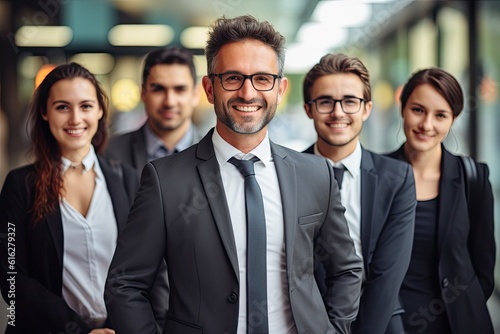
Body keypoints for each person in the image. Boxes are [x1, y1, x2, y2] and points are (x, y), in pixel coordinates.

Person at [105, 15, 363, 334]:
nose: (247, 92)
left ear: (280, 88)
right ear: (209, 88)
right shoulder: (164, 180)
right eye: (232, 78)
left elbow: (347, 270)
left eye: (262, 79)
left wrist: (333, 330)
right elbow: (125, 285)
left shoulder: (315, 173)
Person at [0, 63, 139, 333]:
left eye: (86, 106)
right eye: (62, 107)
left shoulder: (129, 180)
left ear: (100, 111)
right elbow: (12, 279)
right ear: (44, 113)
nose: (75, 119)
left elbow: (148, 269)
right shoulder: (20, 186)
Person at [302, 53, 416, 333]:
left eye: (350, 101)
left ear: (366, 109)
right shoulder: (287, 174)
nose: (338, 112)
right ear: (309, 109)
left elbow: (387, 276)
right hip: (305, 321)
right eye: (326, 101)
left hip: (379, 321)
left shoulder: (397, 178)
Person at [386, 68, 495, 334]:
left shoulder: (473, 178)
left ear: (453, 119)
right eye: (418, 110)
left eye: (441, 115)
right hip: (391, 324)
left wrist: (468, 308)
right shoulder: (375, 175)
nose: (427, 125)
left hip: (455, 324)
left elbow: (483, 268)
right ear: (403, 109)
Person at [104, 46, 202, 177]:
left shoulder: (217, 154)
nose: (169, 102)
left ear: (195, 95)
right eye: (158, 89)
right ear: (143, 93)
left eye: (180, 89)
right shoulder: (109, 153)